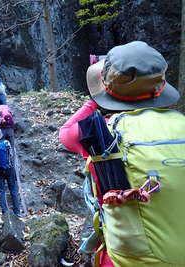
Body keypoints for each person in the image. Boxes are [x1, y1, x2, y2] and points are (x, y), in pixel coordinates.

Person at [59, 41, 182, 267]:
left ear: (108, 88)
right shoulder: (181, 123)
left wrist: (95, 98)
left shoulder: (101, 133)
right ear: (161, 85)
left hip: (128, 260)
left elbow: (65, 133)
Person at [0, 128, 20, 216]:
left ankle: (5, 212)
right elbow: (11, 155)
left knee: (1, 191)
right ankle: (17, 211)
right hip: (9, 169)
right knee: (13, 190)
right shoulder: (6, 143)